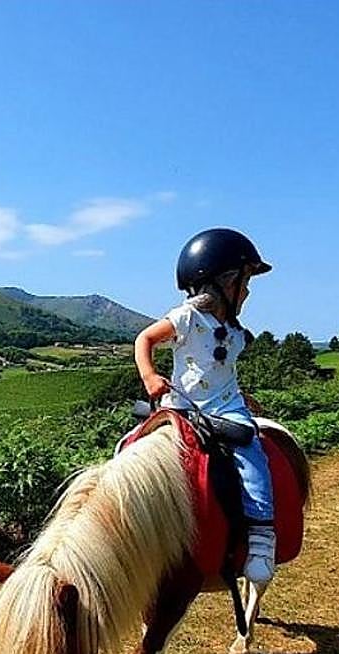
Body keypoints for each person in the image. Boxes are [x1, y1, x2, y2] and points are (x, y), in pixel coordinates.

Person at [133, 228, 277, 583]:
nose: (247, 291)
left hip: (226, 408)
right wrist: (150, 377)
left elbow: (220, 371)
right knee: (130, 447)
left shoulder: (234, 330)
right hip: (182, 403)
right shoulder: (186, 318)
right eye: (244, 281)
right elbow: (145, 339)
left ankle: (261, 536)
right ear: (224, 282)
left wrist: (241, 397)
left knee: (251, 454)